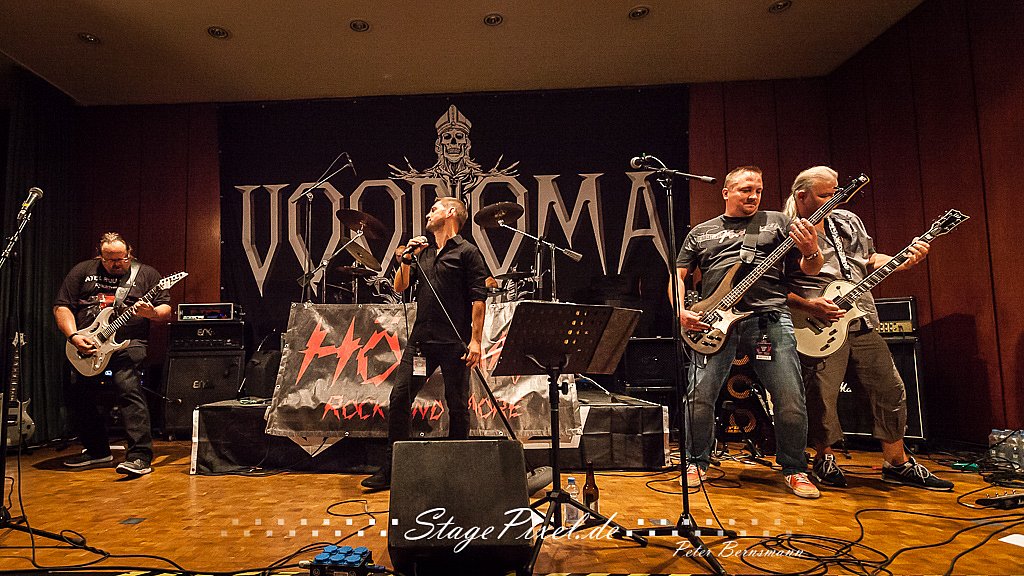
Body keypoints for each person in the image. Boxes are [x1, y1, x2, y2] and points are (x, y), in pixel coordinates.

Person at [783, 166, 953, 491]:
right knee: (821, 396)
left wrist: (903, 260)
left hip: (861, 317)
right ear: (801, 196)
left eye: (836, 192)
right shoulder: (784, 230)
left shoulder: (847, 221)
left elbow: (869, 259)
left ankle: (896, 462)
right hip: (816, 325)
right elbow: (773, 288)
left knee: (890, 388)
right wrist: (809, 306)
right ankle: (823, 458)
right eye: (825, 195)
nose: (835, 199)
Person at [674, 165, 824, 499]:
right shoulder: (701, 232)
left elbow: (811, 268)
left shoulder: (778, 222)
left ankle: (795, 468)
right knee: (699, 395)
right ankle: (696, 461)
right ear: (726, 192)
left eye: (758, 190)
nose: (753, 196)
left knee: (789, 397)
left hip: (769, 319)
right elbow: (678, 275)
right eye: (745, 190)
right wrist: (681, 311)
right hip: (713, 322)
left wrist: (812, 250)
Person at [361, 197, 490, 490]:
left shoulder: (468, 252)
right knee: (399, 398)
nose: (429, 214)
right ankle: (394, 469)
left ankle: (457, 471)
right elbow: (400, 286)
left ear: (451, 213)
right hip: (421, 341)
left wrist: (475, 341)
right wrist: (407, 259)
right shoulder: (425, 253)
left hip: (455, 342)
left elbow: (478, 299)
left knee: (457, 404)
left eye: (434, 209)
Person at [54, 232, 172, 476]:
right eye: (111, 260)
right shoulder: (82, 271)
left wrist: (150, 313)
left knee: (127, 387)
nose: (118, 264)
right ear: (100, 256)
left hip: (128, 344)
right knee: (78, 393)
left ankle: (139, 456)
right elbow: (62, 306)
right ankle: (97, 450)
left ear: (130, 253)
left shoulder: (146, 274)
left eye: (122, 258)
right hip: (85, 342)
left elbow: (165, 310)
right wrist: (74, 336)